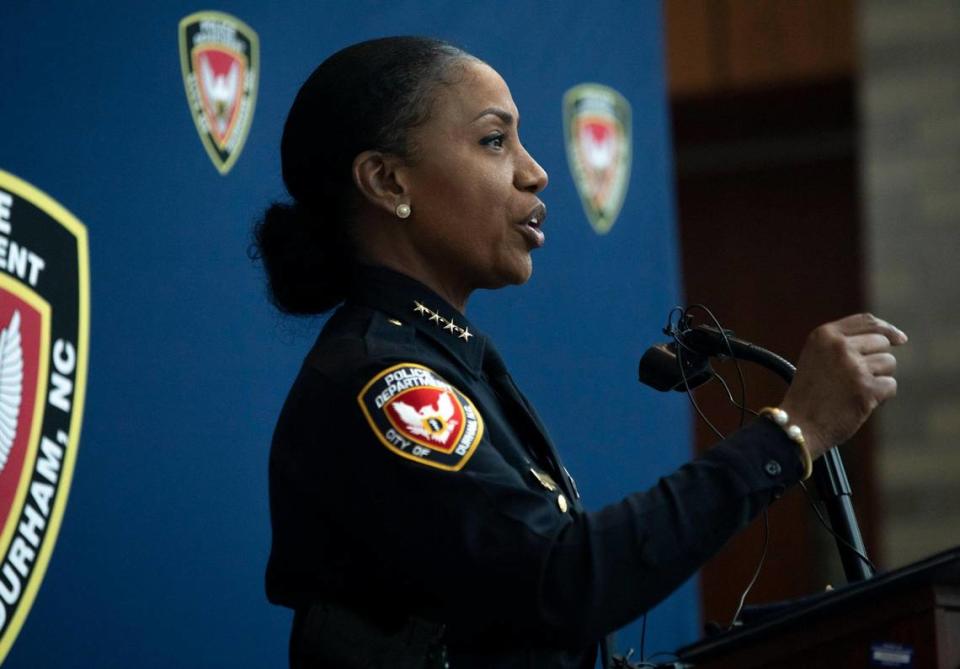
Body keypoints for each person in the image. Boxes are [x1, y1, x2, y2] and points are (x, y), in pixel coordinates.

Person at [255, 36, 905, 669]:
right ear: (387, 180)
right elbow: (561, 583)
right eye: (493, 140)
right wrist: (791, 433)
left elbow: (511, 623)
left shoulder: (439, 357)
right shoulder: (387, 380)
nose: (535, 171)